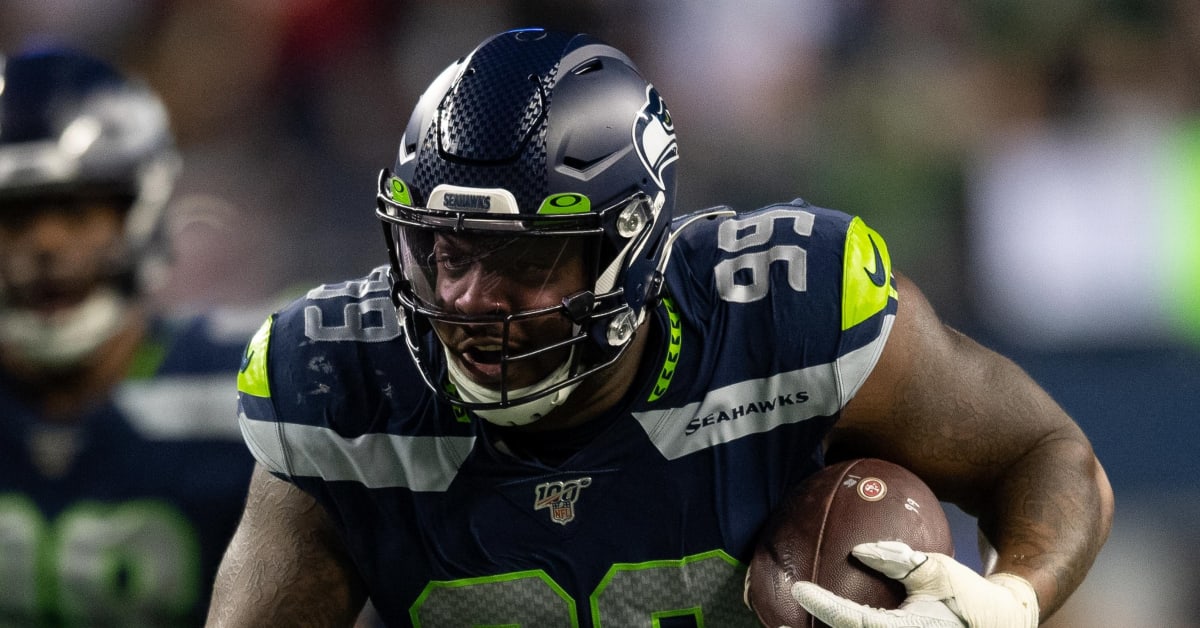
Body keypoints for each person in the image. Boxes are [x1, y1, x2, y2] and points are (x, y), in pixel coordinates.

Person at [207, 28, 1113, 627]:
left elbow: (1045, 453)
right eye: (446, 250)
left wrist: (1007, 598)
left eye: (524, 260)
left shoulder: (787, 311)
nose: (473, 299)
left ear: (630, 244)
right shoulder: (337, 384)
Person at [0, 48, 257, 625]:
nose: (45, 245)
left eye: (75, 212)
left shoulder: (250, 398)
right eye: (14, 216)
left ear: (139, 212)